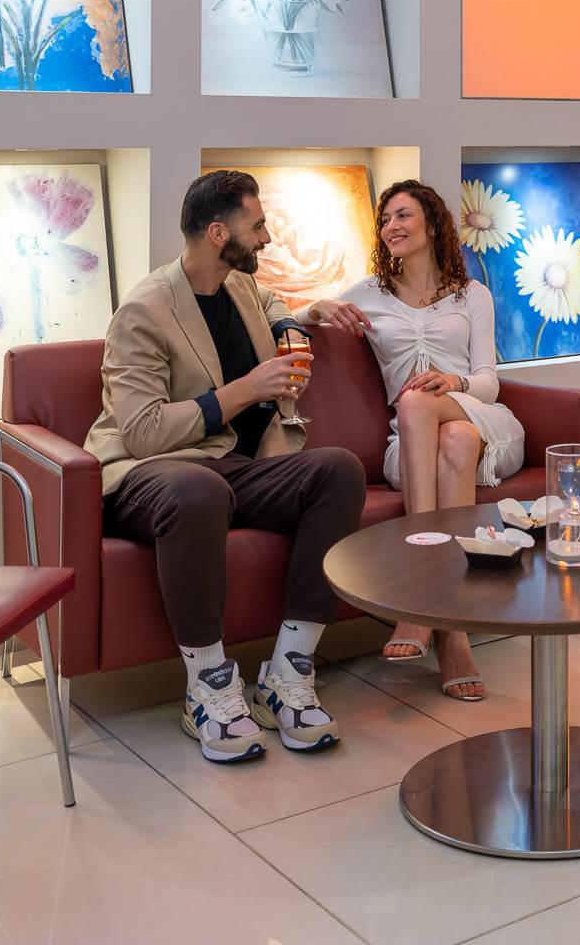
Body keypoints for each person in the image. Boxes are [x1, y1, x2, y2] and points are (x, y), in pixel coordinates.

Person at [85, 170, 372, 765]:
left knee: (338, 470)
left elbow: (270, 302)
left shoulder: (238, 285)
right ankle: (208, 685)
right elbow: (142, 432)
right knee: (198, 491)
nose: (266, 237)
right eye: (257, 225)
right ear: (218, 233)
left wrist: (290, 325)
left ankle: (288, 671)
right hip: (149, 472)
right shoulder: (142, 311)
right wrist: (246, 390)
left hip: (228, 464)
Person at [326, 180, 524, 703]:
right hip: (414, 447)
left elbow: (489, 382)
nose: (391, 226)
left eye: (403, 215)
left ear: (433, 224)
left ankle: (417, 597)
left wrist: (453, 382)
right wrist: (316, 309)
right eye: (385, 219)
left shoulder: (472, 295)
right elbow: (300, 315)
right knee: (451, 438)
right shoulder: (368, 293)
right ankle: (452, 630)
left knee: (423, 405)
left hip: (485, 422)